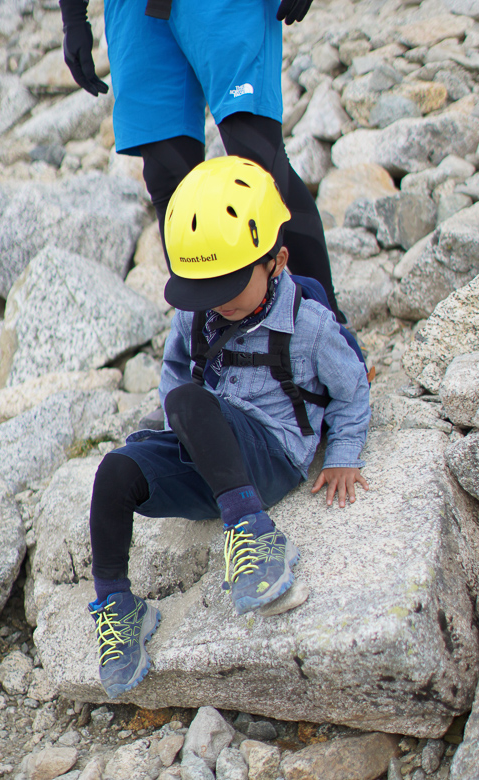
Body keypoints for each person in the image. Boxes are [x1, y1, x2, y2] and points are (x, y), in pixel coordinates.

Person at [87, 156, 370, 699]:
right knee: (115, 470)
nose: (216, 299)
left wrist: (344, 455)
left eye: (230, 284)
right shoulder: (197, 313)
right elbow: (175, 373)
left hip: (272, 458)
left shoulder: (308, 325)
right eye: (203, 288)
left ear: (277, 261)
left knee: (191, 403)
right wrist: (174, 435)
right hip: (210, 451)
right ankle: (119, 606)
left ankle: (255, 535)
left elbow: (353, 389)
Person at [58, 0, 346, 321]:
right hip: (134, 11)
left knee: (259, 162)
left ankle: (329, 329)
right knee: (171, 184)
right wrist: (73, 15)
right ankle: (216, 349)